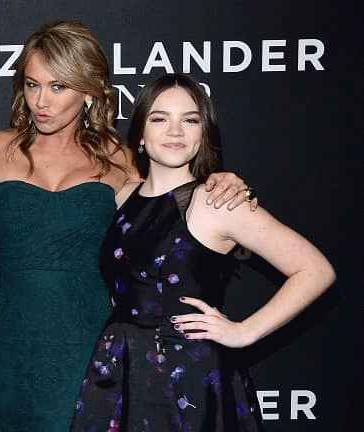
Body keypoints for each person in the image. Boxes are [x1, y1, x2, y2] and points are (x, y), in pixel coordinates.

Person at [0, 21, 253, 432]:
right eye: (32, 85)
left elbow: (170, 214)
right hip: (10, 345)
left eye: (58, 87)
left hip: (90, 345)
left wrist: (218, 182)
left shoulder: (119, 159)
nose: (41, 101)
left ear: (88, 92)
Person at [69, 73, 336, 431]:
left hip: (189, 379)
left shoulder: (218, 201)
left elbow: (315, 270)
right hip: (119, 372)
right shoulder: (121, 196)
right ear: (141, 135)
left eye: (190, 120)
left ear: (203, 134)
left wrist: (244, 332)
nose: (175, 131)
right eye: (160, 118)